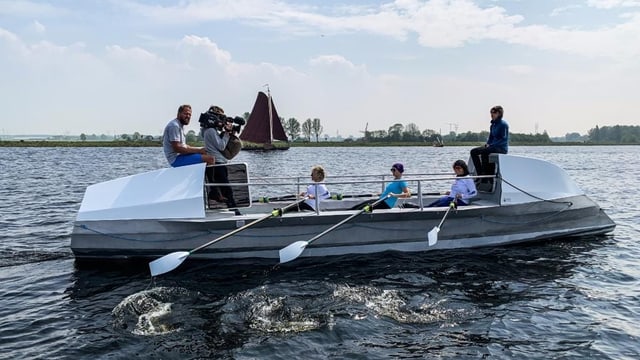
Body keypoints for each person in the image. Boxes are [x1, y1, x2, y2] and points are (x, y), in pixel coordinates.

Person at [201, 105, 238, 211]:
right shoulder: (211, 131)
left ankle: (230, 208)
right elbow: (221, 146)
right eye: (220, 118)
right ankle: (235, 212)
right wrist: (226, 133)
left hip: (217, 163)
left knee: (222, 189)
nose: (222, 121)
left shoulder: (207, 130)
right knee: (227, 190)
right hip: (218, 164)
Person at [469, 105, 509, 177]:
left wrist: (491, 145)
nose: (492, 114)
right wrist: (487, 144)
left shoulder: (503, 125)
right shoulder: (492, 125)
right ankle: (480, 174)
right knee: (473, 151)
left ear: (499, 114)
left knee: (485, 151)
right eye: (491, 113)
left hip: (501, 148)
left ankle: (487, 174)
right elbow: (490, 137)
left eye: (494, 113)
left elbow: (503, 139)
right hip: (492, 146)